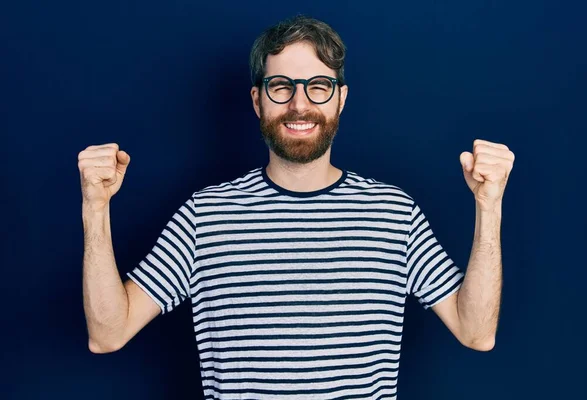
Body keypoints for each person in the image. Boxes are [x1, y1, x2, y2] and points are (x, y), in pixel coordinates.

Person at [78, 14, 514, 400]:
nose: (300, 104)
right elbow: (108, 333)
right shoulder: (205, 216)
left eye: (318, 86)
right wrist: (95, 208)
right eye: (281, 86)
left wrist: (488, 206)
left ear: (341, 99)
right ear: (257, 100)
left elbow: (475, 332)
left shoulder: (393, 213)